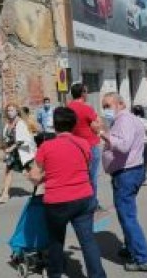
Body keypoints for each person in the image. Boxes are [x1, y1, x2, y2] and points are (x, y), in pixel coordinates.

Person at [27, 107, 106, 278]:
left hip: (57, 202)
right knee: (88, 241)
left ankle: (55, 273)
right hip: (84, 197)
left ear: (54, 126)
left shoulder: (46, 147)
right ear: (74, 124)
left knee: (56, 241)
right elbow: (84, 167)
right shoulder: (83, 144)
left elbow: (34, 177)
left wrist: (43, 177)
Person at [100, 93, 147, 272]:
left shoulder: (125, 120)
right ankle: (131, 248)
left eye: (107, 105)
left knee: (128, 217)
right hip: (128, 172)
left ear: (120, 104)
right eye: (104, 106)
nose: (105, 110)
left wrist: (104, 136)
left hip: (126, 174)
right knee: (126, 215)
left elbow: (124, 146)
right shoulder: (123, 120)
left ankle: (142, 258)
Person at [68, 83, 103, 209]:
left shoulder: (68, 108)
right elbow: (97, 126)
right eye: (86, 92)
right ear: (82, 93)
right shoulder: (86, 108)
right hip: (90, 145)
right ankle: (92, 204)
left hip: (74, 146)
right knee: (92, 176)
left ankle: (80, 201)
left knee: (78, 176)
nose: (87, 94)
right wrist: (98, 120)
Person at [0, 103, 37, 204]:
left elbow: (22, 140)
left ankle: (40, 189)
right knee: (8, 172)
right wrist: (4, 151)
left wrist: (11, 148)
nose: (10, 113)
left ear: (17, 111)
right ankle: (5, 195)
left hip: (22, 153)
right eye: (8, 111)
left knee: (30, 173)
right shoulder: (8, 124)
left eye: (12, 110)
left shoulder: (21, 123)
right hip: (12, 154)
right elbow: (6, 139)